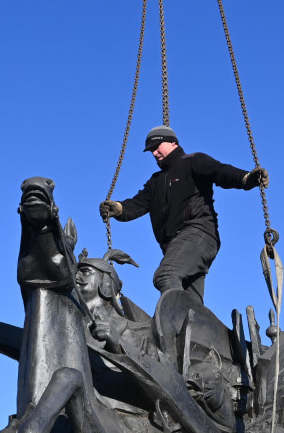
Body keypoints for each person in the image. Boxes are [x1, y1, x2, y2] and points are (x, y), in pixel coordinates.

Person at [100, 125, 268, 303]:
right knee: (190, 302)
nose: (154, 153)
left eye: (157, 147)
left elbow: (220, 171)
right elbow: (138, 204)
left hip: (198, 233)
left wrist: (247, 179)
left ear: (173, 143)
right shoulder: (155, 182)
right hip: (176, 245)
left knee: (166, 275)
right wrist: (118, 208)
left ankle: (170, 325)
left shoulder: (192, 161)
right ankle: (192, 328)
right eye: (151, 151)